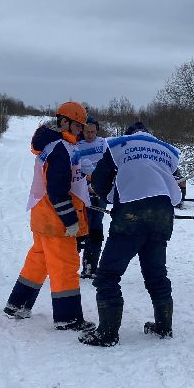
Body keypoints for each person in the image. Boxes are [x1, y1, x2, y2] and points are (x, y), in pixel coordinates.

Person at [79, 121, 183, 347]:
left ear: (129, 134)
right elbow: (179, 192)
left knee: (107, 276)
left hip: (130, 216)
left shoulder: (118, 146)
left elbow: (99, 183)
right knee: (156, 275)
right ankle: (164, 327)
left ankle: (107, 333)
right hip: (163, 217)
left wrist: (105, 191)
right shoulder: (168, 151)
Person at [3, 101, 95, 334]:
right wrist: (71, 220)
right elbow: (57, 190)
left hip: (43, 217)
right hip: (57, 222)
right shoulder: (61, 149)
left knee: (38, 261)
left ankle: (18, 304)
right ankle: (68, 318)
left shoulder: (57, 145)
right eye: (77, 125)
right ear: (64, 122)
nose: (80, 130)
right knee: (65, 266)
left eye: (82, 126)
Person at [73, 116, 108, 278]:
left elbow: (110, 166)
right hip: (81, 191)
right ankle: (70, 265)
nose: (90, 134)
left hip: (99, 191)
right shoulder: (76, 145)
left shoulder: (103, 144)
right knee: (80, 226)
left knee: (96, 226)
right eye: (87, 131)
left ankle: (91, 267)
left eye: (93, 131)